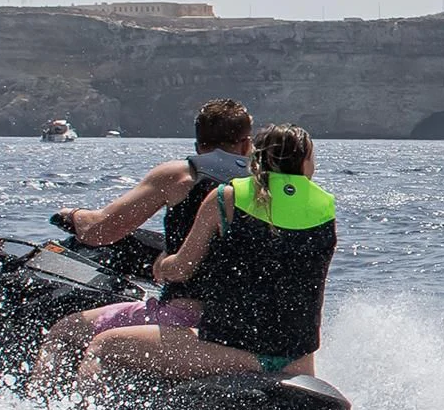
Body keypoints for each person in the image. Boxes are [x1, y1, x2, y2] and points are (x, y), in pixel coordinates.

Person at [83, 123, 336, 384]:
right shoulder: (325, 207)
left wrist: (163, 264)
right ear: (306, 163)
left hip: (232, 350)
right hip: (298, 361)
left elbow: (181, 268)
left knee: (103, 347)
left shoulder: (228, 196)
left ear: (255, 158)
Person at [28, 98, 254, 388]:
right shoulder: (266, 186)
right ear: (247, 145)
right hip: (250, 326)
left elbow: (101, 231)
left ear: (199, 144)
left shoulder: (181, 175)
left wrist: (72, 216)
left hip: (186, 317)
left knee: (64, 333)